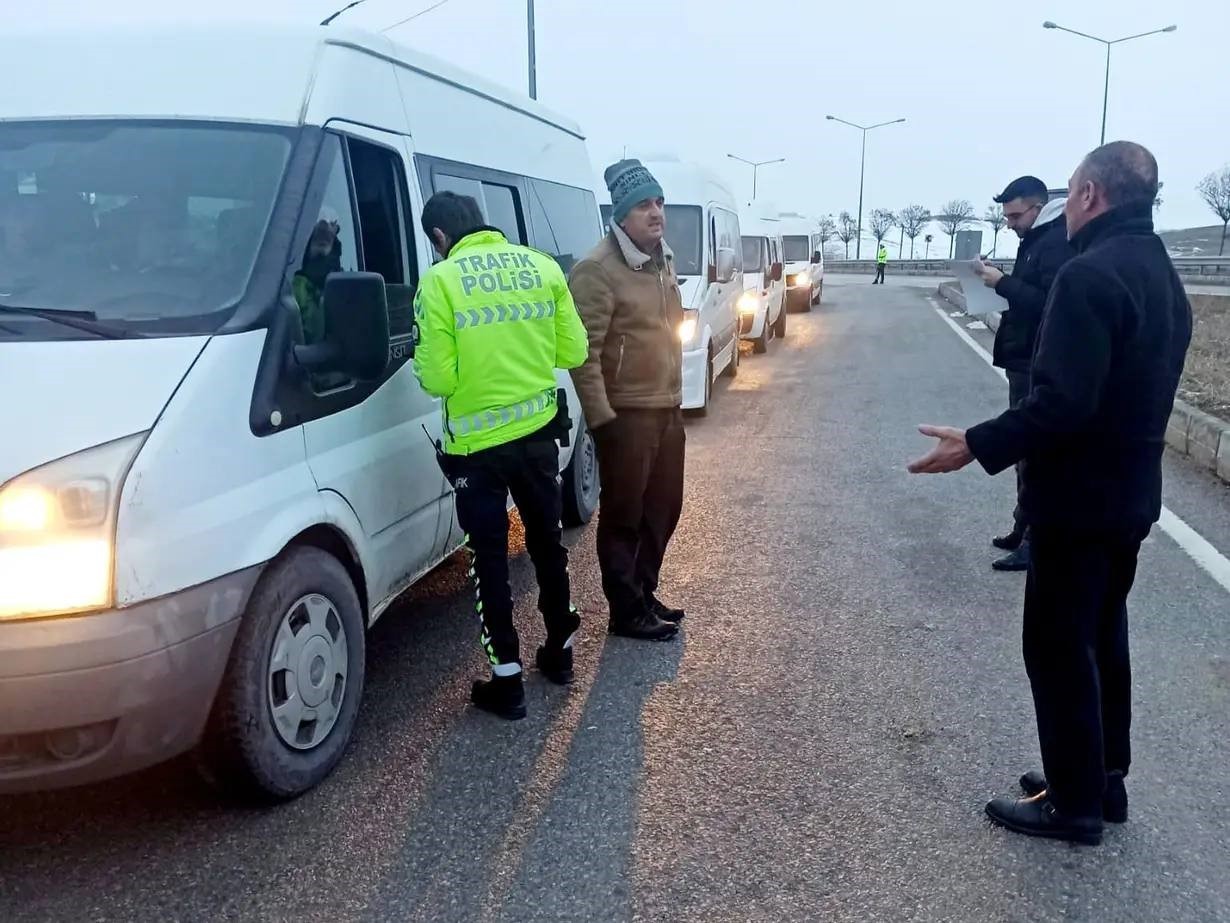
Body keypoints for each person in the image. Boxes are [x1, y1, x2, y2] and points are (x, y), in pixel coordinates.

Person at [908, 141, 1192, 846]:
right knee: (1103, 634)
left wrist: (976, 442)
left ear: (1092, 196)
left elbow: (1062, 403)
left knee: (1057, 644)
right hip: (1132, 495)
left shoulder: (1089, 276)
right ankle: (1103, 779)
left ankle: (1074, 804)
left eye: (1070, 192)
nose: (1065, 206)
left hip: (1077, 499)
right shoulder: (1160, 272)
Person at [412, 191, 590, 720]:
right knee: (546, 542)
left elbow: (437, 379)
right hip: (538, 435)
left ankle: (507, 680)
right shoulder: (540, 267)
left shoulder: (439, 283)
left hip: (477, 452)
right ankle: (559, 651)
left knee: (488, 558)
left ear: (440, 238)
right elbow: (573, 352)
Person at [568, 159, 687, 642]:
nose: (656, 213)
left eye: (659, 202)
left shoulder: (663, 259)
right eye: (643, 205)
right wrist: (603, 421)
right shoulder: (597, 270)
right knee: (624, 515)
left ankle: (643, 590)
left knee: (665, 506)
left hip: (667, 406)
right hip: (626, 414)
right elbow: (583, 354)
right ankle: (625, 610)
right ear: (621, 215)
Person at [975, 176, 1075, 572]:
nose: (1011, 223)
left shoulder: (1055, 243)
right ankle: (1022, 527)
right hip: (1023, 359)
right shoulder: (1035, 240)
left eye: (1015, 215)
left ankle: (1036, 542)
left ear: (1037, 207)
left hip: (1038, 360)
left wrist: (1003, 283)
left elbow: (1050, 304)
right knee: (1024, 454)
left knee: (1035, 455)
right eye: (1006, 217)